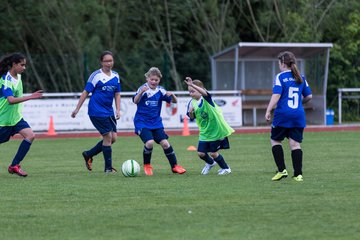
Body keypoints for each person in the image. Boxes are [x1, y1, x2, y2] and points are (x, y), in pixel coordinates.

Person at [265, 51, 312, 182]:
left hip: (283, 115)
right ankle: (298, 174)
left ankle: (282, 170)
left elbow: (276, 95)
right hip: (298, 115)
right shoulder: (301, 77)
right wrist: (298, 104)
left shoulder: (280, 77)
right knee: (295, 144)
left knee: (275, 141)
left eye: (279, 63)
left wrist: (268, 110)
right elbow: (309, 96)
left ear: (283, 63)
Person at [71, 51, 121, 173]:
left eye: (111, 60)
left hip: (109, 112)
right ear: (101, 62)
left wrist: (118, 109)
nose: (109, 63)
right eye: (106, 61)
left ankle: (88, 154)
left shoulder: (116, 76)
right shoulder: (95, 75)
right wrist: (77, 108)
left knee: (113, 138)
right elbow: (85, 92)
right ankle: (108, 168)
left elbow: (117, 93)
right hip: (96, 111)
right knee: (108, 137)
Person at [133, 67, 186, 175]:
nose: (153, 82)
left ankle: (175, 166)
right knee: (150, 142)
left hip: (156, 123)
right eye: (151, 79)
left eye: (156, 80)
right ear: (147, 78)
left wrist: (172, 95)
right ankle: (147, 165)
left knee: (165, 143)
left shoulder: (160, 90)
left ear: (159, 80)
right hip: (142, 122)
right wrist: (140, 93)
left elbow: (174, 102)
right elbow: (135, 101)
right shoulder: (143, 89)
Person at [0, 52, 43, 177]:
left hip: (16, 118)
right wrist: (31, 97)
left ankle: (14, 165)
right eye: (22, 65)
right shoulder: (6, 80)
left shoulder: (18, 76)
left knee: (30, 135)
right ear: (14, 64)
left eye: (25, 65)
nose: (24, 68)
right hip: (3, 120)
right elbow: (11, 100)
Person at [184, 77, 234, 175]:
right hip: (204, 131)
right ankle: (210, 163)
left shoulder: (206, 98)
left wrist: (192, 84)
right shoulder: (191, 102)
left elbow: (205, 93)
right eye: (189, 92)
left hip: (215, 129)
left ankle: (226, 168)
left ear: (200, 90)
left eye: (193, 91)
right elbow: (192, 118)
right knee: (201, 153)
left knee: (213, 153)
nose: (191, 94)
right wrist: (190, 113)